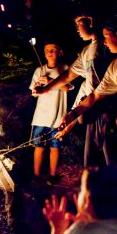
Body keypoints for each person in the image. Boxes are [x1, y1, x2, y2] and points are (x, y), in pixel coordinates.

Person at [34, 14, 114, 167]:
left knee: (109, 156)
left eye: (80, 24)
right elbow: (70, 75)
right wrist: (45, 89)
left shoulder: (106, 48)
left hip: (104, 108)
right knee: (91, 158)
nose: (77, 29)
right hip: (89, 108)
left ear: (91, 22)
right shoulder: (86, 51)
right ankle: (92, 187)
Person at [59, 16, 117, 172]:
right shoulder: (115, 68)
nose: (104, 42)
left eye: (106, 36)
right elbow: (94, 95)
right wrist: (72, 114)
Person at [29, 42, 72, 184]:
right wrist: (36, 89)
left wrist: (51, 81)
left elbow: (67, 88)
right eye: (47, 50)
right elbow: (34, 94)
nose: (49, 52)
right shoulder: (39, 70)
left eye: (53, 49)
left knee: (55, 147)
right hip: (41, 116)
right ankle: (36, 176)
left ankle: (52, 176)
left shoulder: (65, 69)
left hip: (58, 117)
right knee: (39, 147)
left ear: (59, 52)